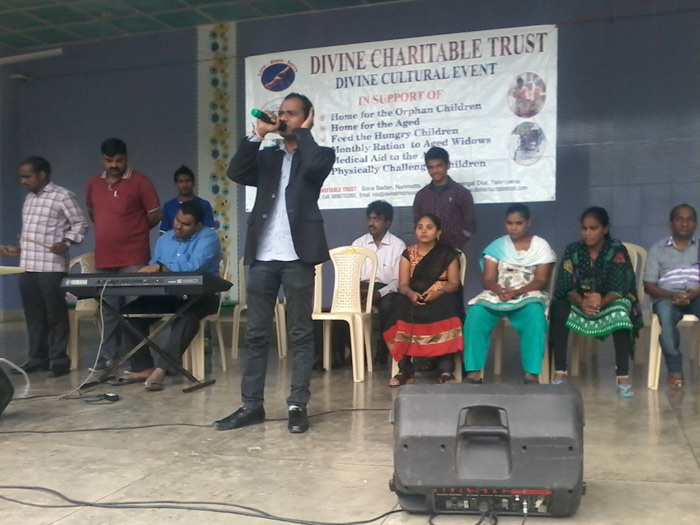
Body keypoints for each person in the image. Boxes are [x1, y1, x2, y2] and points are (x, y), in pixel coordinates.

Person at [214, 93, 335, 434]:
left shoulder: (319, 154)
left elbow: (314, 168)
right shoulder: (267, 156)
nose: (284, 118)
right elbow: (236, 171)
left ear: (307, 117)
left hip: (298, 257)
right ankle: (251, 405)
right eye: (281, 113)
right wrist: (258, 133)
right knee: (255, 334)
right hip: (263, 256)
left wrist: (304, 133)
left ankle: (297, 405)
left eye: (292, 114)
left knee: (300, 333)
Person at [111, 201, 221, 391]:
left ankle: (161, 369)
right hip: (170, 294)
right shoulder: (165, 238)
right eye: (177, 220)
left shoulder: (209, 237)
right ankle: (143, 368)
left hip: (202, 296)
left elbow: (193, 267)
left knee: (186, 316)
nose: (178, 226)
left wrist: (162, 268)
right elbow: (155, 266)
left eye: (186, 224)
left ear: (198, 226)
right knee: (129, 314)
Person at [1, 156, 88, 377]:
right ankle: (37, 359)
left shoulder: (62, 196)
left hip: (51, 267)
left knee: (55, 315)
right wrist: (18, 249)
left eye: (27, 176)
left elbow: (80, 223)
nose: (23, 181)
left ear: (42, 175)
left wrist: (66, 242)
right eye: (22, 177)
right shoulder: (29, 199)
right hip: (27, 266)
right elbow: (34, 234)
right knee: (33, 316)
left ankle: (59, 360)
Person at [548, 207, 642, 397]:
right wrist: (582, 301)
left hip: (610, 301)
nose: (587, 233)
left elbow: (621, 284)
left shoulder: (616, 250)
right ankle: (560, 371)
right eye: (584, 228)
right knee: (559, 307)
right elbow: (565, 284)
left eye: (593, 228)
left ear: (605, 229)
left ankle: (622, 376)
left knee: (622, 311)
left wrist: (603, 299)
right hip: (580, 301)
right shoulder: (573, 250)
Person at [85, 138, 161, 372]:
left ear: (126, 158)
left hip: (134, 257)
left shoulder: (140, 182)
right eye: (109, 161)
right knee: (108, 310)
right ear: (102, 160)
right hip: (105, 257)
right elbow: (93, 214)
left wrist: (132, 231)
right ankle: (109, 356)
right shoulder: (93, 184)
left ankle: (137, 359)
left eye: (118, 160)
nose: (114, 165)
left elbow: (154, 215)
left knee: (133, 309)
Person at [463, 204, 555, 384]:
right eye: (509, 223)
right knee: (475, 314)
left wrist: (517, 291)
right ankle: (473, 372)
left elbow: (541, 280)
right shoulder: (497, 246)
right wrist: (499, 290)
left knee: (535, 316)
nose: (513, 227)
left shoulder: (541, 246)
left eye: (519, 223)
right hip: (499, 293)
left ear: (528, 223)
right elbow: (487, 279)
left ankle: (532, 374)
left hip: (528, 294)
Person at [384, 214, 463, 386]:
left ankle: (445, 370)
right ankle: (405, 371)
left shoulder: (448, 254)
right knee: (399, 307)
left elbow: (454, 283)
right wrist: (411, 294)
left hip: (440, 296)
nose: (424, 231)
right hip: (414, 296)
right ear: (415, 231)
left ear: (438, 232)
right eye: (420, 227)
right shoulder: (408, 254)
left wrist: (438, 293)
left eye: (429, 227)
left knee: (449, 308)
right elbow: (403, 285)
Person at [643, 204, 700, 389]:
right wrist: (671, 294)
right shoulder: (657, 249)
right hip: (667, 297)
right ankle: (675, 369)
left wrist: (695, 293)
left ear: (696, 224)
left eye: (689, 219)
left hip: (697, 295)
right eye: (679, 219)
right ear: (670, 224)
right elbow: (649, 285)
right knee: (666, 321)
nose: (684, 223)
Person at [349, 200, 406, 365]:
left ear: (387, 223)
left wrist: (379, 293)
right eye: (370, 218)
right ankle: (354, 353)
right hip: (360, 287)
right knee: (343, 307)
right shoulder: (358, 244)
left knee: (389, 307)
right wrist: (357, 291)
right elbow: (350, 274)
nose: (371, 223)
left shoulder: (398, 245)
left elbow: (398, 280)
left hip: (385, 289)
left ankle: (382, 351)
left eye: (377, 219)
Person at [412, 147, 476, 251]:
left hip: (453, 251)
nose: (435, 171)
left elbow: (470, 226)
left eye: (439, 166)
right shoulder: (421, 196)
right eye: (431, 167)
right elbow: (417, 224)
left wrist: (456, 245)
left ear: (448, 165)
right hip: (428, 252)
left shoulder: (462, 193)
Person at [159, 165, 216, 233]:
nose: (185, 185)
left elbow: (209, 232)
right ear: (175, 184)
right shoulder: (168, 206)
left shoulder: (204, 205)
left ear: (194, 183)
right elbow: (163, 233)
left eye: (188, 181)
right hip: (173, 239)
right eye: (181, 181)